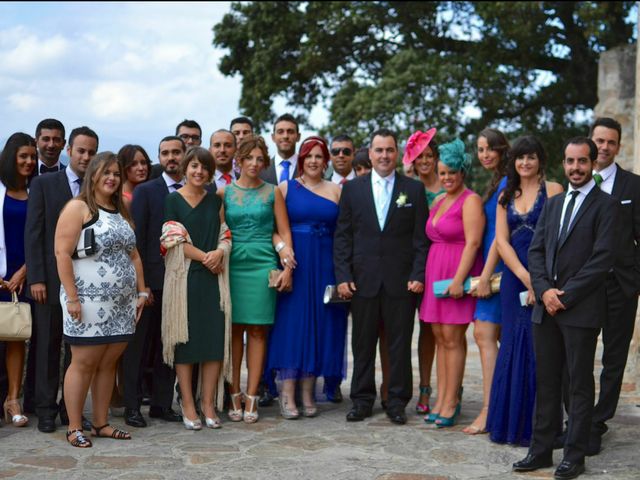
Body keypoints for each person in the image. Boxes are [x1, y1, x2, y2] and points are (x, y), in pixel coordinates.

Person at [513, 137, 619, 480]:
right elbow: (536, 251)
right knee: (546, 382)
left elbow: (602, 260)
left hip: (580, 310)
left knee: (578, 385)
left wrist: (565, 296)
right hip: (546, 308)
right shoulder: (554, 203)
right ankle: (541, 450)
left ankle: (574, 456)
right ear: (564, 162)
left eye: (582, 162)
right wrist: (544, 291)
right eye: (570, 162)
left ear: (592, 164)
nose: (575, 168)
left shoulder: (607, 206)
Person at [334, 128, 429, 425]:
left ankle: (397, 401)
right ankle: (361, 400)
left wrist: (418, 273)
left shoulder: (413, 190)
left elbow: (420, 239)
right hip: (362, 281)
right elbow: (343, 237)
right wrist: (343, 275)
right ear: (370, 153)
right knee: (362, 344)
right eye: (379, 150)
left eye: (389, 150)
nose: (384, 155)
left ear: (397, 153)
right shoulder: (352, 189)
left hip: (401, 282)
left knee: (399, 345)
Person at [54, 152, 146, 447]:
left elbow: (133, 254)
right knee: (84, 361)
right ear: (93, 174)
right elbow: (62, 254)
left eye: (117, 174)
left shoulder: (122, 209)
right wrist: (72, 298)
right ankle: (74, 426)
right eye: (106, 172)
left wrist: (141, 292)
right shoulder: (77, 207)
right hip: (86, 299)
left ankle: (101, 423)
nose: (112, 178)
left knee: (108, 362)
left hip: (121, 302)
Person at [487, 136, 563, 446]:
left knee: (540, 349)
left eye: (531, 157)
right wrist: (525, 277)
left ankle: (540, 428)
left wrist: (540, 281)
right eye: (520, 158)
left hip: (546, 276)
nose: (525, 163)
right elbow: (502, 241)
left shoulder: (554, 190)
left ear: (540, 160)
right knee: (511, 345)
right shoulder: (506, 195)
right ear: (514, 162)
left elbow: (559, 237)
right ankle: (507, 424)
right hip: (514, 279)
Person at [265, 136, 347, 419]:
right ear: (301, 159)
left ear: (326, 161)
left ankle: (308, 392)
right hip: (295, 263)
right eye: (308, 156)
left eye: (319, 156)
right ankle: (286, 394)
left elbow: (344, 234)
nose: (314, 161)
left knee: (320, 324)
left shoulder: (336, 191)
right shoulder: (286, 188)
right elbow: (271, 227)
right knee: (293, 325)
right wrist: (282, 248)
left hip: (325, 264)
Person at [25, 126, 98, 433]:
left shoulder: (96, 189)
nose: (85, 157)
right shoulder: (44, 183)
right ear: (69, 149)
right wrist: (38, 278)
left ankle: (71, 411)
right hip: (51, 281)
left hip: (86, 283)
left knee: (77, 349)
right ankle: (44, 409)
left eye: (92, 152)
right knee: (47, 345)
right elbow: (34, 233)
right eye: (81, 150)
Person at [220, 135, 293, 424]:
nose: (254, 163)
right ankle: (233, 392)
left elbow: (284, 232)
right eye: (248, 158)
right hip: (234, 263)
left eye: (259, 159)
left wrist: (287, 266)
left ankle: (252, 395)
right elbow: (221, 230)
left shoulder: (272, 192)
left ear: (264, 163)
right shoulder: (223, 193)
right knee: (234, 331)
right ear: (238, 160)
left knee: (259, 331)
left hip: (264, 262)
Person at [162, 147, 230, 430]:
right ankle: (188, 403)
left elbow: (225, 233)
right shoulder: (173, 200)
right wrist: (206, 257)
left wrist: (221, 252)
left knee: (213, 343)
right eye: (194, 166)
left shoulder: (216, 201)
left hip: (214, 279)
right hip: (184, 280)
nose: (199, 172)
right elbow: (171, 240)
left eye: (204, 167)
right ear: (185, 169)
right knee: (185, 343)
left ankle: (208, 403)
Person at [419, 138, 484, 428]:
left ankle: (452, 402)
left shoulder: (471, 200)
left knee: (453, 338)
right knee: (439, 338)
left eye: (452, 172)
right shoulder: (438, 200)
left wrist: (459, 281)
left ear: (462, 173)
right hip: (435, 271)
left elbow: (473, 243)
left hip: (456, 272)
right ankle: (441, 398)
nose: (446, 177)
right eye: (442, 172)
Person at [122, 136, 186, 428]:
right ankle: (132, 406)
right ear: (159, 157)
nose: (171, 157)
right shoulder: (147, 191)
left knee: (169, 346)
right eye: (165, 153)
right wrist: (142, 287)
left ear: (185, 155)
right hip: (150, 284)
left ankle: (162, 404)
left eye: (176, 152)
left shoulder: (197, 189)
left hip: (183, 281)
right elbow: (137, 242)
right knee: (138, 347)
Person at [587, 117, 640, 455]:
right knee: (576, 355)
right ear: (591, 143)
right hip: (583, 289)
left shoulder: (634, 186)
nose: (604, 147)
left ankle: (597, 422)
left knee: (614, 358)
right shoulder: (577, 180)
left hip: (620, 286)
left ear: (618, 146)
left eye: (611, 142)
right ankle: (578, 416)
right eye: (600, 141)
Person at [464, 128, 509, 435]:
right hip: (492, 267)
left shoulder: (507, 183)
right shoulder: (496, 182)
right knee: (491, 336)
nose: (485, 155)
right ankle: (500, 407)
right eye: (480, 150)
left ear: (502, 149)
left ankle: (489, 411)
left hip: (500, 268)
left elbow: (501, 236)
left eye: (490, 148)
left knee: (484, 333)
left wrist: (484, 277)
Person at [402, 128, 444, 416]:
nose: (425, 161)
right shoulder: (407, 190)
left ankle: (447, 386)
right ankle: (424, 385)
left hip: (441, 263)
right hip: (411, 266)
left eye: (430, 155)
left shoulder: (448, 186)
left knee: (441, 331)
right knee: (418, 331)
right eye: (420, 157)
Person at [0, 133, 37, 427]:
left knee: (15, 337)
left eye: (32, 157)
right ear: (10, 157)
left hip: (22, 275)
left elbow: (42, 236)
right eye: (23, 156)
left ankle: (13, 398)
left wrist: (22, 272)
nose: (28, 161)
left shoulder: (36, 192)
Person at [261, 114, 301, 185]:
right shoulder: (261, 169)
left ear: (298, 137)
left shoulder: (307, 168)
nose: (285, 136)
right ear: (273, 137)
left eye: (290, 132)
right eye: (280, 132)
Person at [117, 145, 151, 209]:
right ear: (123, 167)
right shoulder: (122, 199)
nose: (141, 168)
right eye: (133, 164)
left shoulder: (151, 194)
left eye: (143, 163)